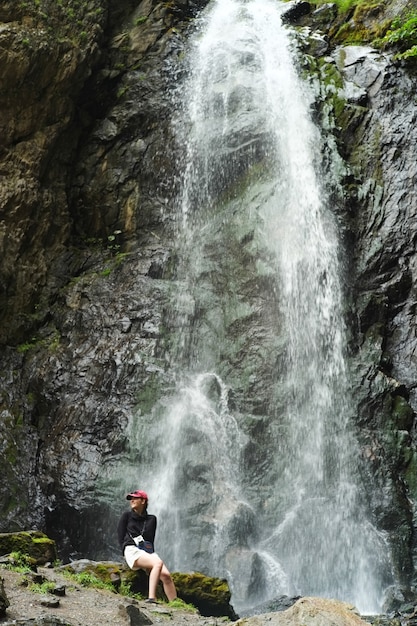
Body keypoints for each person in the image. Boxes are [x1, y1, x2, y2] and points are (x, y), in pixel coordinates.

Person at [117, 489, 177, 603]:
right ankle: (151, 598)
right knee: (158, 563)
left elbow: (150, 540)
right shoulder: (127, 516)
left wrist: (150, 558)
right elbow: (120, 535)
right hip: (131, 550)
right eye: (131, 499)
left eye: (135, 498)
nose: (132, 501)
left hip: (146, 551)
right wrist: (123, 553)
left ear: (143, 501)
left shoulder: (152, 519)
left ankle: (175, 603)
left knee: (166, 576)